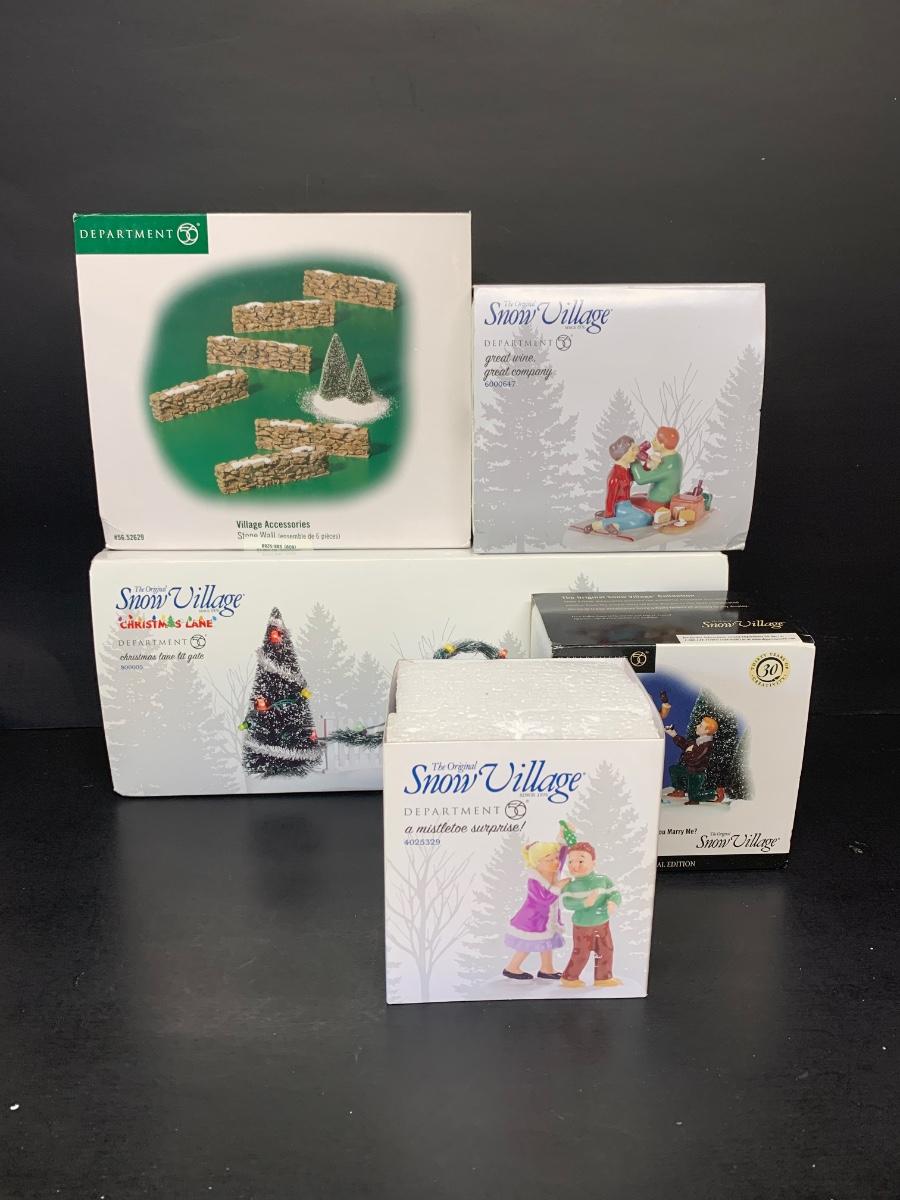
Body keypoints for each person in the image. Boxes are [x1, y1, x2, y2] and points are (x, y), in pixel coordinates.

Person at [559, 842, 622, 989]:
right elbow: (568, 903)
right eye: (571, 862)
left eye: (581, 861)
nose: (575, 865)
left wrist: (613, 902)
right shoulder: (570, 886)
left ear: (593, 862)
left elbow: (615, 893)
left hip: (602, 923)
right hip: (582, 926)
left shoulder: (603, 880)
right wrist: (584, 903)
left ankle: (603, 978)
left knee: (606, 950)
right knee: (581, 953)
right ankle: (569, 977)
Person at [503, 839, 568, 981]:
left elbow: (562, 853)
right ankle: (512, 967)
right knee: (527, 944)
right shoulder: (534, 880)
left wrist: (563, 836)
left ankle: (547, 968)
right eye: (549, 860)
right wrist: (559, 886)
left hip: (546, 919)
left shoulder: (554, 871)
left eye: (555, 858)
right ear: (537, 863)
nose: (555, 862)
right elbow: (544, 899)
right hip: (532, 920)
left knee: (547, 942)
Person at [665, 715, 726, 803]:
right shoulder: (699, 740)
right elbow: (685, 745)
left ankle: (715, 793)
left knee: (694, 797)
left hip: (696, 773)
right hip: (689, 769)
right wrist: (674, 735)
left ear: (707, 731)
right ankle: (679, 790)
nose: (697, 726)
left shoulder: (707, 745)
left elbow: (694, 759)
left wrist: (688, 752)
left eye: (700, 726)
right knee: (674, 769)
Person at [630, 425, 683, 511]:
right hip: (658, 498)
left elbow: (641, 479)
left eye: (655, 440)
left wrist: (633, 458)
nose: (652, 441)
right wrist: (648, 465)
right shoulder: (675, 457)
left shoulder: (669, 464)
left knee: (629, 502)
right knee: (634, 497)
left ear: (663, 444)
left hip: (660, 504)